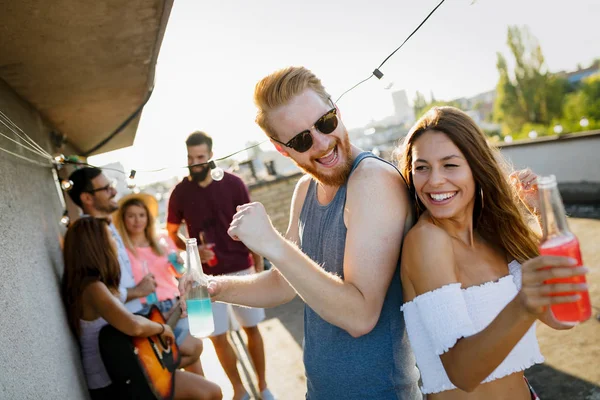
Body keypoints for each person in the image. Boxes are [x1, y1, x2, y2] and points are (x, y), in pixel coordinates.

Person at [186, 66, 421, 399]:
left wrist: (271, 245)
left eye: (325, 123)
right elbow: (285, 282)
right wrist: (215, 287)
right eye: (300, 139)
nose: (323, 143)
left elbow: (360, 315)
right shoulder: (304, 190)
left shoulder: (371, 181)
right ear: (282, 149)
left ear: (337, 112)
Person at [396, 106, 590, 399]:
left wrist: (543, 214)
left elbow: (562, 317)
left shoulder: (495, 233)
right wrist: (524, 304)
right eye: (422, 167)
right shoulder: (425, 241)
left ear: (476, 167)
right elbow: (462, 373)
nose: (434, 180)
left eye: (450, 165)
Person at [61, 217, 222, 400]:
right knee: (212, 393)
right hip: (112, 383)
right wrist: (163, 328)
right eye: (110, 237)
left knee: (188, 357)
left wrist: (168, 315)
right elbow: (133, 326)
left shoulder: (93, 286)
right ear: (96, 246)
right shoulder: (93, 288)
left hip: (125, 370)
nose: (115, 242)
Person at [167, 131, 276, 400]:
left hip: (242, 268)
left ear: (211, 155)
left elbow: (250, 224)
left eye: (200, 157)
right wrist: (190, 249)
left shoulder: (234, 183)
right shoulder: (180, 192)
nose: (195, 163)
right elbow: (171, 232)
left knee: (252, 328)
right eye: (191, 158)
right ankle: (239, 391)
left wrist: (259, 263)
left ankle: (263, 386)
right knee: (217, 336)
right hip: (202, 278)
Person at [114, 192, 205, 375]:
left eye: (141, 215)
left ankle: (200, 389)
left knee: (194, 353)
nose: (137, 220)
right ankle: (160, 374)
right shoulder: (120, 250)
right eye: (131, 215)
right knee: (171, 353)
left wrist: (179, 262)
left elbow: (179, 273)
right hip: (148, 311)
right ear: (123, 219)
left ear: (148, 217)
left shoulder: (162, 240)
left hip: (175, 305)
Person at [67, 167, 155, 313]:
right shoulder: (88, 236)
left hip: (135, 315)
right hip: (118, 328)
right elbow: (97, 289)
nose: (114, 192)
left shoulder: (105, 225)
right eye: (107, 188)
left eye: (112, 186)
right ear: (87, 198)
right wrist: (137, 291)